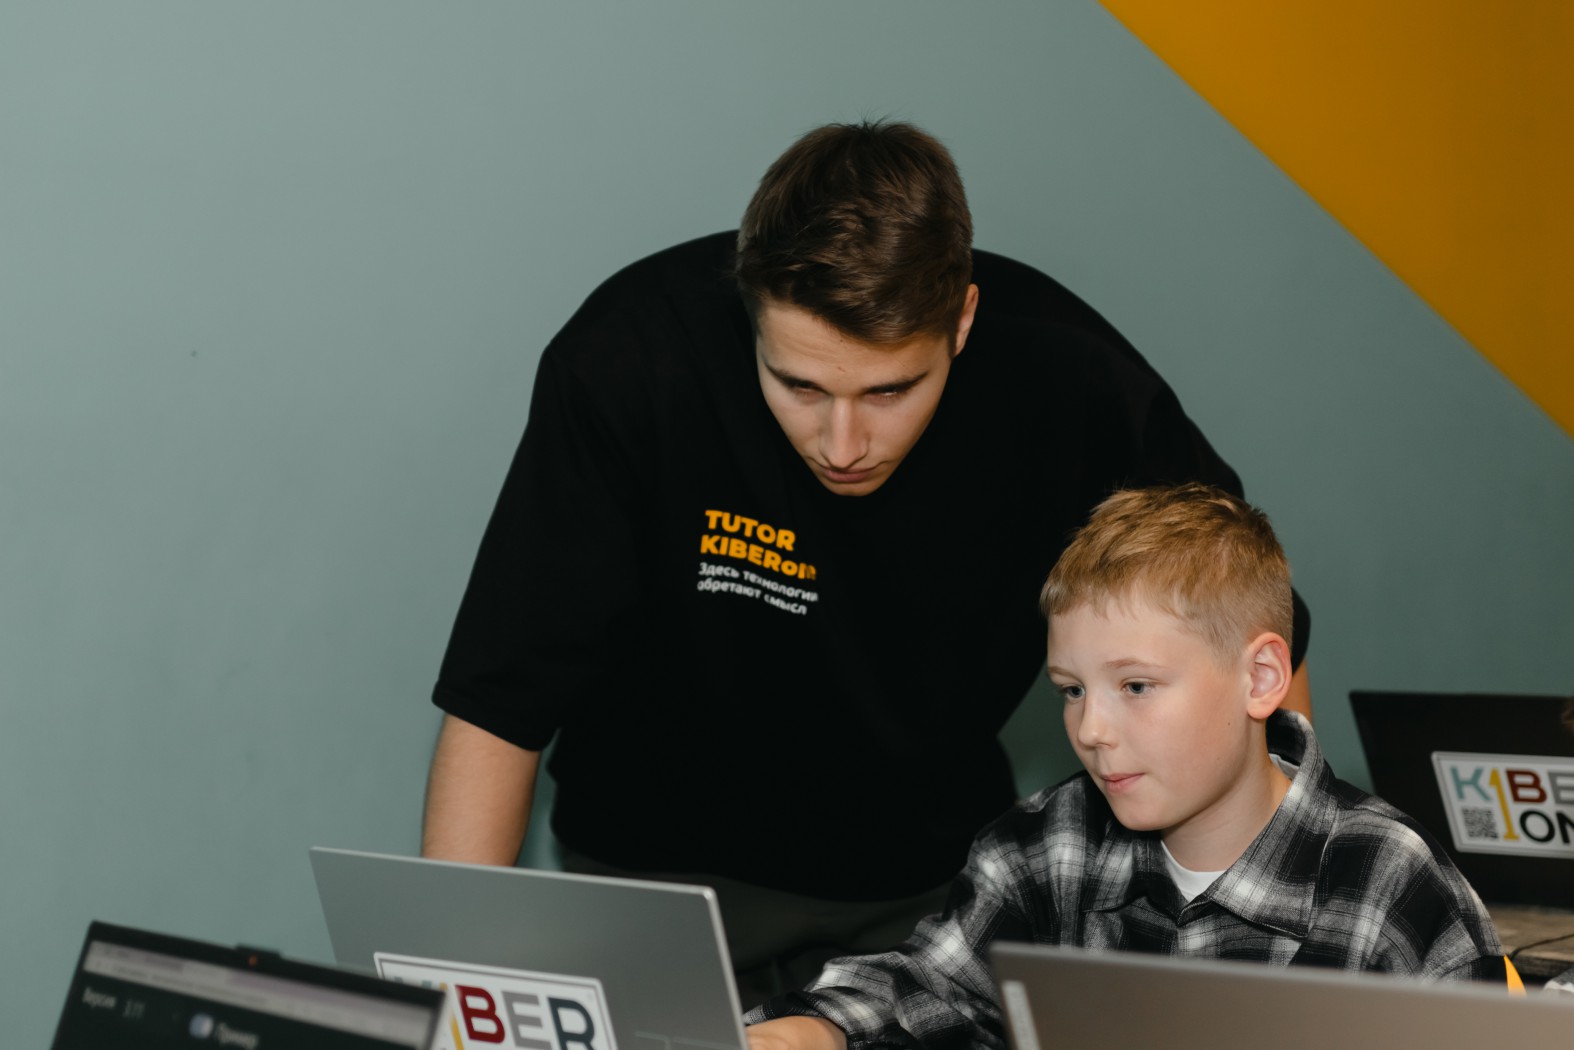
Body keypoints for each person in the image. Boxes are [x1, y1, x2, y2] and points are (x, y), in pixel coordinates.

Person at [421, 121, 1312, 1005]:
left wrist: (1270, 944)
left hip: (931, 892)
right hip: (654, 882)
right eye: (800, 385)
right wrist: (456, 993)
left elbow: (1248, 636)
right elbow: (500, 703)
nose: (842, 443)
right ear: (749, 316)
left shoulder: (1072, 378)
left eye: (890, 390)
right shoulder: (628, 359)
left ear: (961, 321)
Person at [743, 483, 1507, 1050]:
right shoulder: (1044, 848)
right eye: (1071, 691)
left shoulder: (1386, 879)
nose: (1092, 729)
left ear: (1261, 678)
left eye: (1136, 686)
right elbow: (925, 983)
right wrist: (813, 1031)